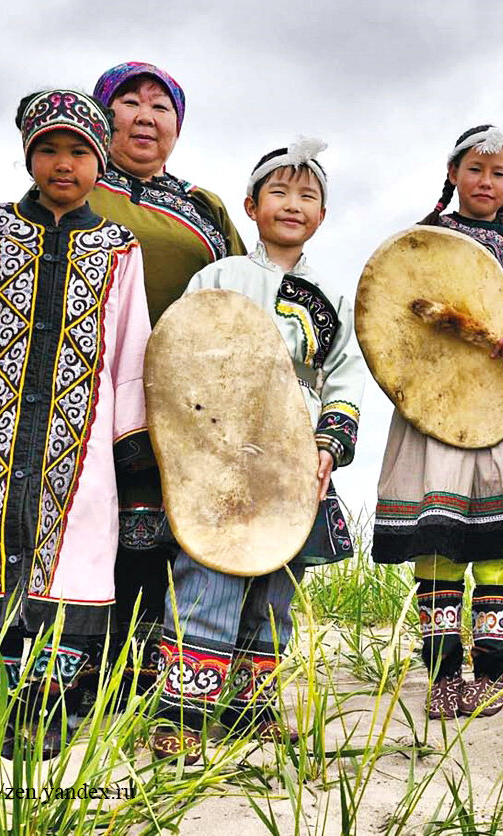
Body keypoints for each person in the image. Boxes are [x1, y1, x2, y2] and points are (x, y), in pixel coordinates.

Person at [0, 89, 152, 758]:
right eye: (47, 148)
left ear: (100, 162)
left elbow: (131, 347)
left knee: (69, 562)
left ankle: (48, 710)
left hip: (78, 444)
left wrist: (129, 441)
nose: (62, 163)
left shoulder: (117, 248)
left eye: (78, 150)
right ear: (28, 156)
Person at [151, 138, 365, 763]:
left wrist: (329, 444)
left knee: (278, 583)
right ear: (250, 204)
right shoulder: (217, 277)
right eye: (279, 191)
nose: (293, 204)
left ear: (322, 215)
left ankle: (252, 710)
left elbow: (344, 373)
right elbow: (180, 353)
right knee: (208, 570)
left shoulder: (333, 294)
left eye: (308, 196)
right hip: (217, 449)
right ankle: (183, 717)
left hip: (294, 452)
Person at [371, 125, 503, 720]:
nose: (486, 182)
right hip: (431, 416)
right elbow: (387, 320)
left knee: (499, 540)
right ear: (454, 174)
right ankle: (441, 676)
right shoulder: (418, 244)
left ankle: (489, 672)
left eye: (499, 173)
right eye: (475, 170)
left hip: (502, 411)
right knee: (438, 544)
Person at [88, 62, 246, 695]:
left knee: (166, 526)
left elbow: (243, 290)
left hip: (186, 394)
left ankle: (159, 676)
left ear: (178, 126)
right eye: (130, 102)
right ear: (103, 115)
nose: (146, 115)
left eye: (162, 107)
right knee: (96, 521)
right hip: (92, 385)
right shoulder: (76, 186)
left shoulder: (202, 205)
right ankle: (82, 674)